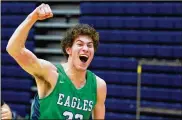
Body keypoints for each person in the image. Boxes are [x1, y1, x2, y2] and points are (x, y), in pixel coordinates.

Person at [6, 3, 107, 119]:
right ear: (68, 49)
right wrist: (32, 17)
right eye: (80, 44)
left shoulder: (99, 86)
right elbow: (13, 49)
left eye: (90, 46)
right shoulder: (51, 73)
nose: (85, 48)